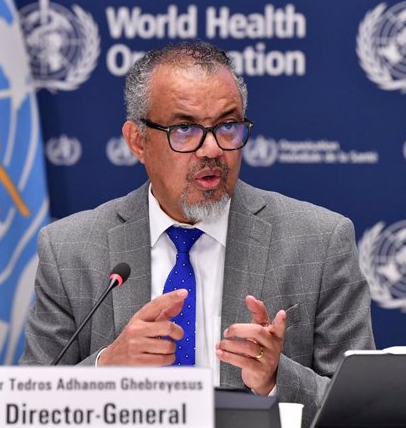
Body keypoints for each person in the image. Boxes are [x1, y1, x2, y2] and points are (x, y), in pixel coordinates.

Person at [20, 41, 375, 426]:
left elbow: (363, 410)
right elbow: (26, 410)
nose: (212, 150)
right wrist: (107, 368)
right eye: (185, 129)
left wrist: (276, 379)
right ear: (137, 140)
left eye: (227, 126)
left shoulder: (318, 243)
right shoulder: (69, 250)